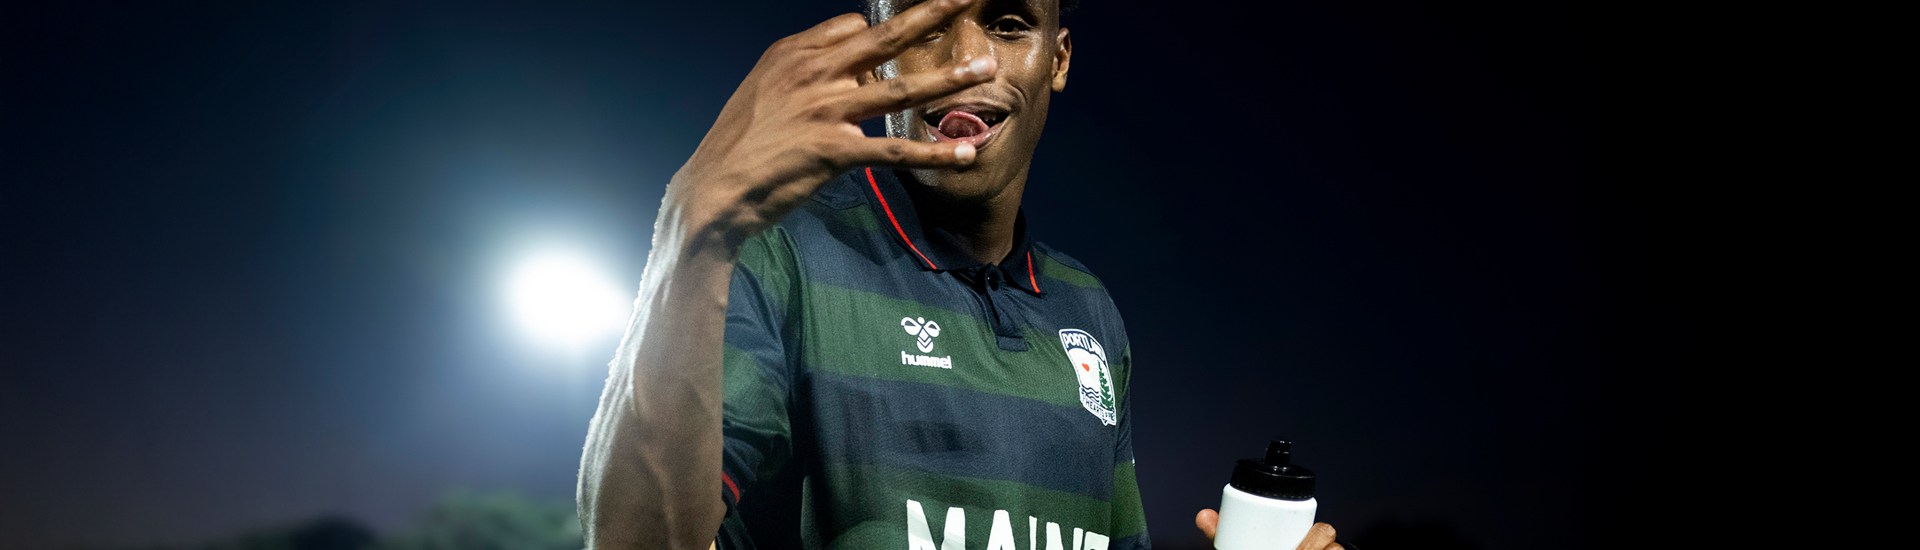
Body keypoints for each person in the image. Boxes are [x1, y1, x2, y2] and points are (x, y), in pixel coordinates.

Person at [575, 0, 1343, 548]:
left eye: (1008, 23)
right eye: (927, 22)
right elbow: (631, 540)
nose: (967, 60)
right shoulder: (776, 255)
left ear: (1058, 59)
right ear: (875, 53)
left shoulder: (1090, 312)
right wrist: (692, 232)